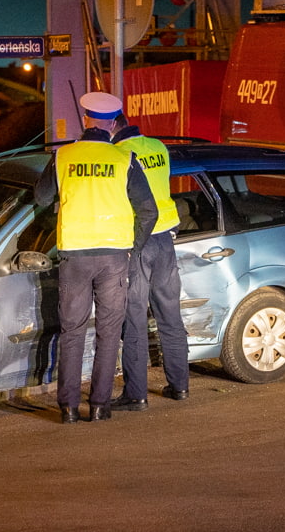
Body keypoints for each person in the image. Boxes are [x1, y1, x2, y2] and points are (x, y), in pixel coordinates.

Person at [34, 92, 157, 424]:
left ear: (85, 120)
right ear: (114, 124)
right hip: (114, 257)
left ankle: (69, 408)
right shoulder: (124, 159)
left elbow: (41, 198)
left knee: (72, 331)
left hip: (74, 254)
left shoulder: (63, 157)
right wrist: (133, 246)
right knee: (108, 331)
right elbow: (149, 211)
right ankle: (100, 405)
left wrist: (61, 213)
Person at [110, 114, 190, 412]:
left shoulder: (120, 155)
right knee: (170, 315)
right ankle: (180, 386)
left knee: (134, 320)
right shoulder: (158, 147)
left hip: (138, 241)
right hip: (166, 240)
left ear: (113, 127)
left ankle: (136, 394)